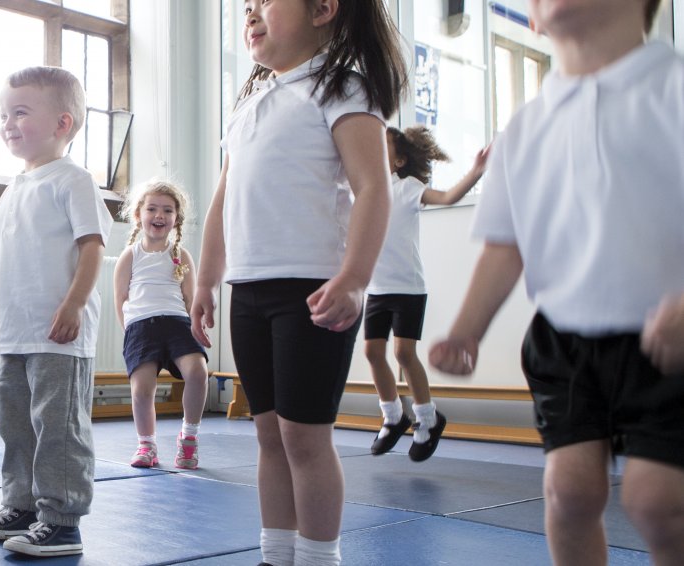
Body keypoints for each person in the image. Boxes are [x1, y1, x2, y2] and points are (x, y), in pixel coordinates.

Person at [430, 1, 683, 563]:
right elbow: (507, 245)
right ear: (536, 21)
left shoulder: (672, 89)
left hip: (666, 341)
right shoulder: (526, 126)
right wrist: (467, 329)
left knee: (658, 500)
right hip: (564, 342)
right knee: (568, 493)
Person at [190, 1, 407, 564]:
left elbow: (373, 188)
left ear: (322, 9)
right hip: (249, 288)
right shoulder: (250, 100)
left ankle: (317, 557)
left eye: (265, 0)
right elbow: (222, 200)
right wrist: (207, 279)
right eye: (246, 5)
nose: (250, 11)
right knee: (267, 436)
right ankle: (275, 553)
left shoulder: (342, 86)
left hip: (312, 290)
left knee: (304, 439)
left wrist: (356, 278)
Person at [0, 66, 112, 558]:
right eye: (3, 114)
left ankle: (62, 518)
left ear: (63, 123)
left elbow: (92, 248)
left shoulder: (73, 181)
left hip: (59, 334)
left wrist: (74, 303)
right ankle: (23, 504)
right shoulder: (13, 188)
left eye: (21, 113)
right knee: (17, 425)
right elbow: (8, 254)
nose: (8, 123)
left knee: (58, 428)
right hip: (15, 332)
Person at [364, 126, 489, 461]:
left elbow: (448, 198)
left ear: (400, 160)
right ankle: (393, 416)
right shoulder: (363, 188)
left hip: (407, 287)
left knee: (404, 354)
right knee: (372, 353)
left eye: (384, 145)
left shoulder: (407, 188)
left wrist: (475, 171)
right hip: (376, 288)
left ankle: (428, 419)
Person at [112, 180, 209, 470]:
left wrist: (198, 324)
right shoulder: (130, 255)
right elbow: (121, 299)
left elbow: (191, 297)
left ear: (176, 218)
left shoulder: (181, 255)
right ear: (138, 215)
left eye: (167, 210)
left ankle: (188, 438)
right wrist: (129, 331)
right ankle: (146, 444)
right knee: (142, 390)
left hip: (178, 323)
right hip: (142, 327)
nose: (159, 215)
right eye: (152, 208)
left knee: (198, 373)